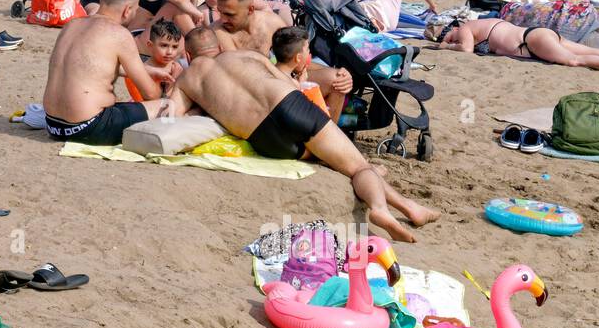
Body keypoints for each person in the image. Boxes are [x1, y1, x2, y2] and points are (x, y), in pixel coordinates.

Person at [168, 51, 438, 242]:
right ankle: (380, 208)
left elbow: (170, 120)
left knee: (331, 160)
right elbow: (290, 83)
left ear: (188, 57)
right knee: (358, 167)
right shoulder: (241, 56)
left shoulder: (187, 79)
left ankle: (410, 207)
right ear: (216, 47)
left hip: (264, 137)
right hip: (287, 103)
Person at [43, 0, 175, 145]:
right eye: (135, 10)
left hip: (54, 125)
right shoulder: (119, 34)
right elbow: (150, 94)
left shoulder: (72, 24)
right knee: (167, 106)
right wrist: (165, 91)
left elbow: (88, 66)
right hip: (88, 128)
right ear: (127, 11)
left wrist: (146, 69)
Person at [428, 17, 599, 75]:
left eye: (446, 37)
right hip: (535, 36)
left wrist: (446, 48)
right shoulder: (475, 28)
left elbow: (465, 50)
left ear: (451, 29)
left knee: (574, 60)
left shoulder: (465, 28)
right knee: (594, 51)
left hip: (531, 41)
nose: (448, 41)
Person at [126, 20, 185, 99]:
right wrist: (173, 80)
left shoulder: (176, 68)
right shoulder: (144, 69)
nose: (169, 52)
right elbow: (149, 98)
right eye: (164, 45)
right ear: (150, 45)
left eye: (174, 47)